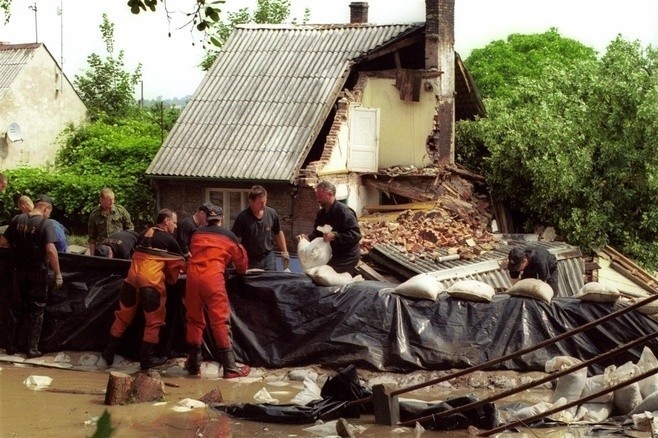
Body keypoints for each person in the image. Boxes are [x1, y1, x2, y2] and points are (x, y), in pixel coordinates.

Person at [101, 209, 185, 370]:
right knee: (154, 321)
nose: (175, 226)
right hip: (150, 282)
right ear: (166, 221)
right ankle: (147, 359)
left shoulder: (143, 234)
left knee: (123, 316)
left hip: (131, 279)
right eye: (174, 222)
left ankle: (108, 351)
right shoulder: (169, 240)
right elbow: (180, 265)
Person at [184, 205, 250, 378]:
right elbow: (241, 265)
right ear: (221, 219)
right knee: (219, 321)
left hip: (192, 278)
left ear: (207, 219)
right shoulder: (229, 236)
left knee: (194, 320)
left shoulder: (196, 234)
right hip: (213, 279)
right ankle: (230, 368)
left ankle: (193, 365)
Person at [0, 195, 63, 358]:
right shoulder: (45, 223)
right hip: (37, 273)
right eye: (49, 211)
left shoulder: (17, 219)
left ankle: (11, 346)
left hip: (18, 271)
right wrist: (58, 274)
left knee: (15, 308)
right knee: (36, 309)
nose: (49, 215)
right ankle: (32, 348)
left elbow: (3, 241)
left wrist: (17, 251)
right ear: (45, 208)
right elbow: (50, 250)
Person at [298, 181, 361, 274]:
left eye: (320, 197)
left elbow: (356, 235)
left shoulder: (344, 212)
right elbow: (317, 232)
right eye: (317, 196)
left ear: (330, 194)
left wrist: (334, 236)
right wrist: (307, 238)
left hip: (347, 255)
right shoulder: (322, 213)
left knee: (325, 275)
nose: (317, 200)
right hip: (332, 253)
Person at [231, 185, 289, 270]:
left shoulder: (271, 213)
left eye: (265, 201)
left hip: (268, 257)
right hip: (250, 258)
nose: (263, 205)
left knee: (271, 281)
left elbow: (278, 232)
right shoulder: (242, 217)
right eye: (260, 203)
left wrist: (284, 252)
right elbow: (236, 240)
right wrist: (235, 259)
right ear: (251, 202)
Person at [87, 188, 134, 256]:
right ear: (101, 200)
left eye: (113, 199)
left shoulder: (121, 211)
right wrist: (92, 256)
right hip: (103, 251)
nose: (112, 202)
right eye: (109, 200)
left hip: (118, 249)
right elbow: (92, 238)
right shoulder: (94, 215)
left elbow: (130, 229)